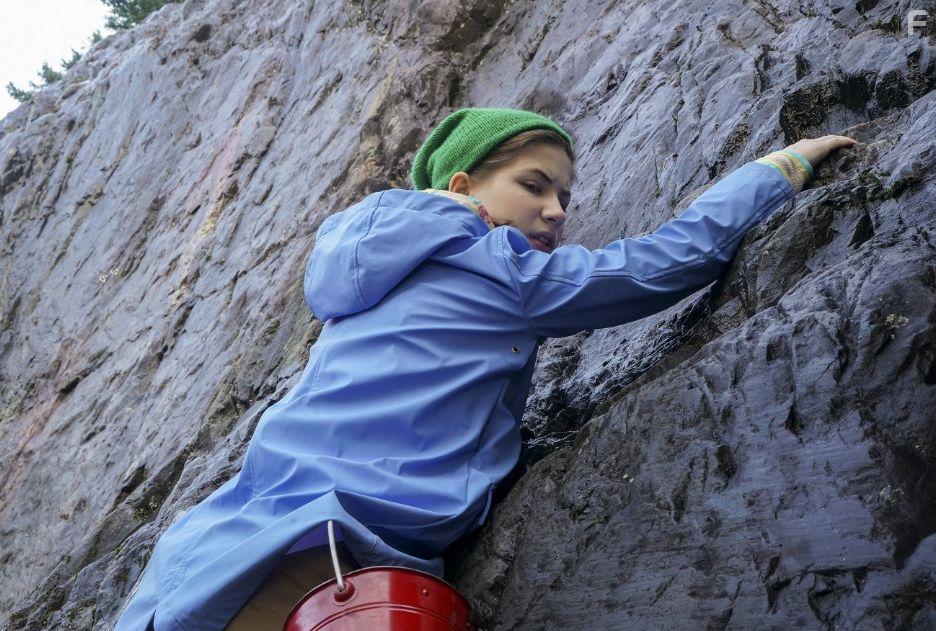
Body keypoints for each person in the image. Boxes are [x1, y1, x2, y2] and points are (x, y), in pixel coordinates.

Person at [113, 107, 856, 630]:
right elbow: (660, 264)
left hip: (214, 554)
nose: (557, 210)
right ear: (463, 189)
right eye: (534, 185)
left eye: (563, 195)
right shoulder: (492, 266)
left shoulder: (368, 273)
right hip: (323, 552)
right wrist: (779, 168)